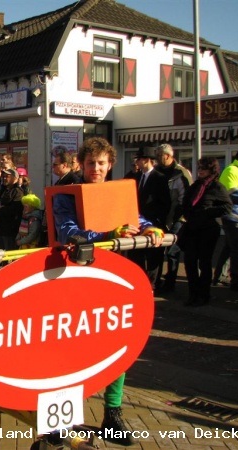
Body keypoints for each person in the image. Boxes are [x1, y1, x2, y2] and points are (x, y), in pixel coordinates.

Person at [53, 137, 164, 447]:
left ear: (110, 164)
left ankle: (112, 414)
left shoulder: (117, 193)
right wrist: (109, 232)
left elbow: (134, 219)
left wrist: (149, 228)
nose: (96, 168)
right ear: (81, 164)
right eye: (91, 163)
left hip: (111, 280)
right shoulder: (65, 195)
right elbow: (67, 230)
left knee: (118, 344)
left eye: (102, 163)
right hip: (75, 280)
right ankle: (63, 417)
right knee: (73, 349)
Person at [178, 157, 232, 306]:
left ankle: (203, 294)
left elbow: (227, 207)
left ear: (211, 170)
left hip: (207, 229)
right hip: (192, 228)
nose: (200, 171)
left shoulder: (217, 187)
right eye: (199, 168)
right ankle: (193, 293)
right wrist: (187, 213)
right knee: (190, 261)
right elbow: (186, 202)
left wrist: (207, 212)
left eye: (204, 169)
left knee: (204, 262)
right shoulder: (195, 185)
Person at [129, 147, 171, 290]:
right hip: (137, 224)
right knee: (136, 255)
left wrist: (158, 222)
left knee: (153, 257)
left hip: (153, 223)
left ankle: (152, 285)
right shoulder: (136, 177)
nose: (137, 162)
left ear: (147, 160)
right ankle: (139, 284)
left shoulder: (159, 178)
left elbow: (165, 203)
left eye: (139, 159)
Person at [154, 144, 191, 292]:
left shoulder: (181, 173)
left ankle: (170, 283)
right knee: (157, 250)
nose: (157, 158)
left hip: (176, 218)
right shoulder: (156, 171)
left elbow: (185, 198)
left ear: (168, 156)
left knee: (172, 252)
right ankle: (156, 281)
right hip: (159, 218)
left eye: (159, 156)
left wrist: (178, 218)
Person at [218, 147, 238, 292]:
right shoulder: (231, 171)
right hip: (234, 217)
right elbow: (233, 193)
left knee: (230, 247)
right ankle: (236, 280)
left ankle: (220, 276)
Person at [0, 168, 24, 251]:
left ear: (15, 178)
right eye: (3, 176)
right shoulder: (5, 190)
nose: (4, 178)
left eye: (7, 176)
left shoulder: (17, 191)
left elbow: (15, 209)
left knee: (9, 251)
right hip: (1, 228)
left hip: (10, 229)